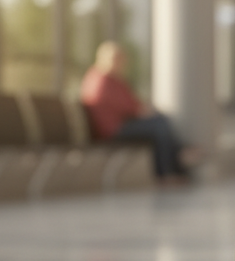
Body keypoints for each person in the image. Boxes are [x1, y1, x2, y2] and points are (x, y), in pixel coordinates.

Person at [80, 42, 193, 180]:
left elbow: (132, 103)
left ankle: (179, 155)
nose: (121, 63)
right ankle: (168, 171)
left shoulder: (108, 79)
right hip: (113, 130)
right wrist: (144, 110)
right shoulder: (103, 80)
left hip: (119, 125)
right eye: (117, 59)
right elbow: (131, 107)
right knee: (160, 126)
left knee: (160, 121)